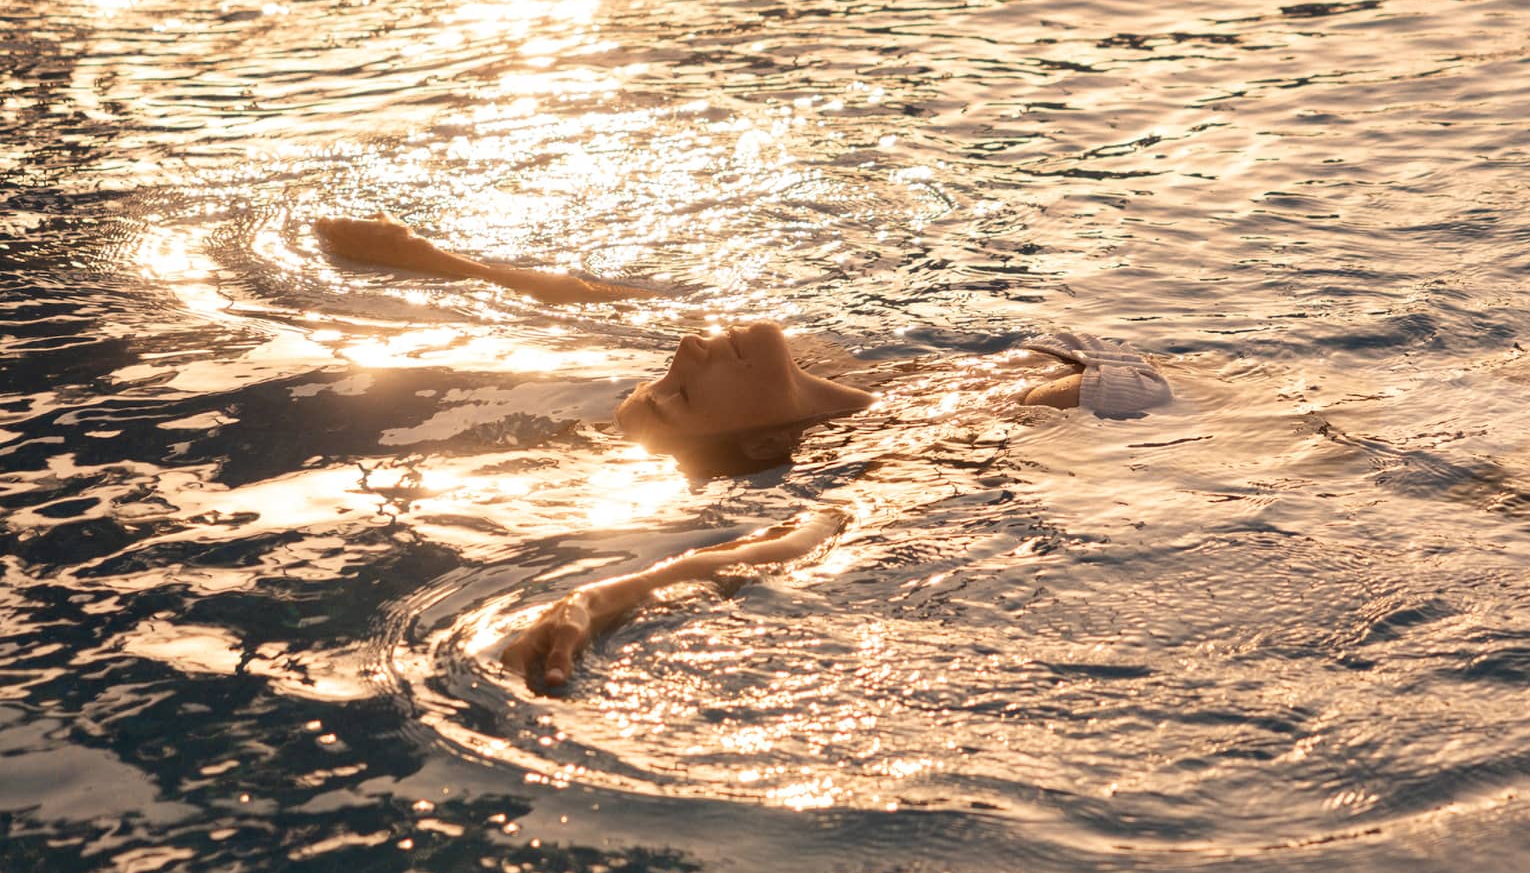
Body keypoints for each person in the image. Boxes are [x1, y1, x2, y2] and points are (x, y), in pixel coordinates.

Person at [318, 214, 1172, 693]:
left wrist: (436, 260)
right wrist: (604, 595)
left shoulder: (843, 369)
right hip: (1203, 433)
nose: (687, 352)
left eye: (665, 377)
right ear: (763, 442)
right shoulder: (918, 444)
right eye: (681, 394)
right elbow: (804, 538)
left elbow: (596, 302)